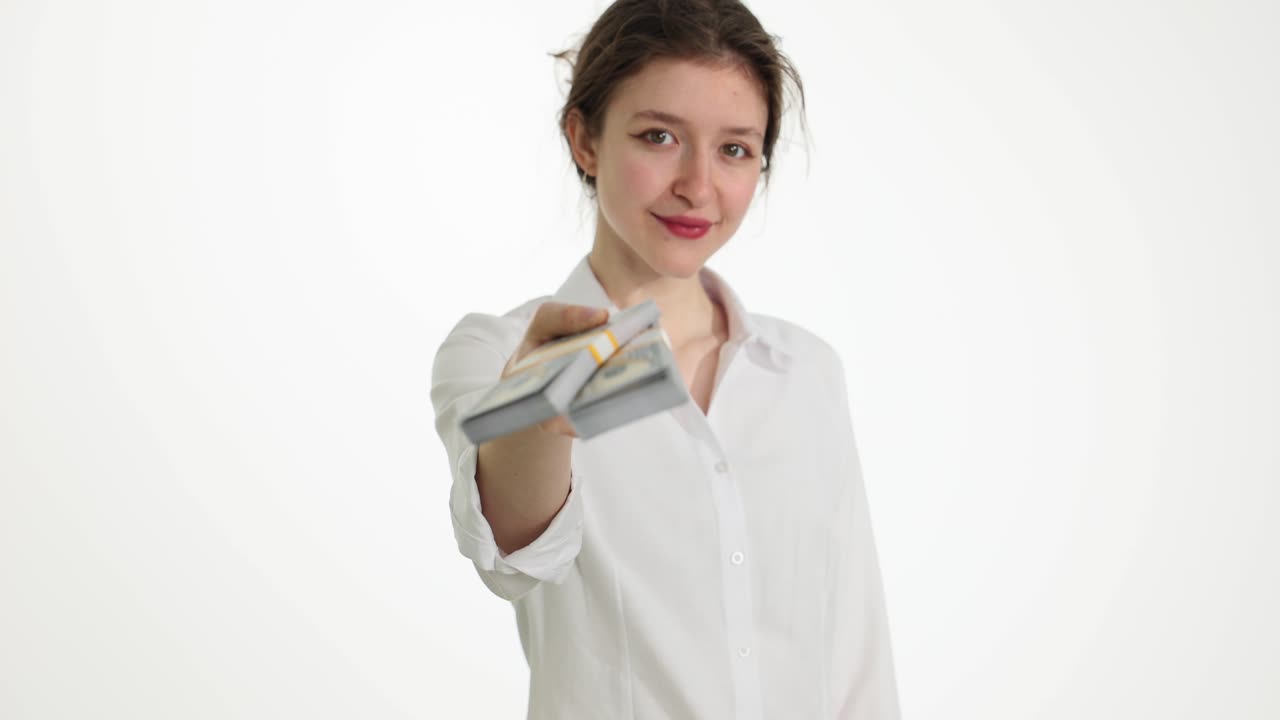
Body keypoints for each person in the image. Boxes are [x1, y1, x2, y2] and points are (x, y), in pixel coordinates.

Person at [430, 1, 901, 717]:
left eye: (735, 149)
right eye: (659, 137)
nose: (699, 186)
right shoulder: (495, 354)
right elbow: (517, 555)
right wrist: (539, 408)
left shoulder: (806, 371)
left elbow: (854, 652)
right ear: (584, 140)